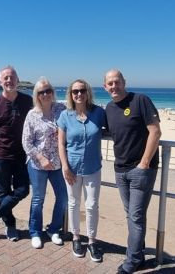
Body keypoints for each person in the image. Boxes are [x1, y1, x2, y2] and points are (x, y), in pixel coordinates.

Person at [104, 69, 162, 274]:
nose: (114, 86)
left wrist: (145, 163)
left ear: (124, 82)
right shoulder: (109, 109)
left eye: (116, 82)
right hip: (120, 170)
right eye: (109, 83)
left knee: (135, 216)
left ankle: (132, 261)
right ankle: (139, 255)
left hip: (141, 170)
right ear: (105, 87)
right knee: (131, 215)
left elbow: (155, 131)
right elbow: (103, 131)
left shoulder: (140, 100)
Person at [0, 66, 33, 242]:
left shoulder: (28, 101)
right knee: (3, 193)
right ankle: (10, 226)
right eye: (6, 78)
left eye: (12, 77)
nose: (9, 81)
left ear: (17, 80)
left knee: (23, 190)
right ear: (0, 82)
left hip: (22, 155)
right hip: (1, 155)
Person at [57, 79, 106, 262]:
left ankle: (92, 241)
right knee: (73, 203)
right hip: (72, 168)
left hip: (93, 167)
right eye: (75, 91)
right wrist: (65, 167)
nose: (79, 94)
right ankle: (76, 238)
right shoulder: (65, 116)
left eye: (82, 90)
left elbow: (116, 128)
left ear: (88, 93)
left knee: (92, 205)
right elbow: (61, 144)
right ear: (70, 94)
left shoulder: (99, 113)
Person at [21, 78, 68, 249]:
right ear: (37, 95)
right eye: (41, 92)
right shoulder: (32, 115)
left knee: (63, 197)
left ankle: (53, 229)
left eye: (48, 90)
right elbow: (26, 142)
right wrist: (41, 158)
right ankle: (35, 232)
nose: (46, 94)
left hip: (57, 164)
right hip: (37, 164)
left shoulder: (61, 109)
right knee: (38, 199)